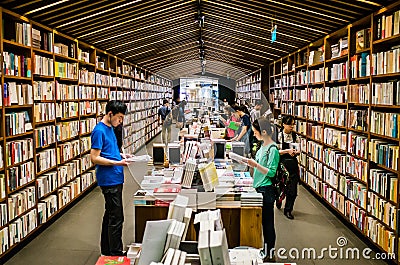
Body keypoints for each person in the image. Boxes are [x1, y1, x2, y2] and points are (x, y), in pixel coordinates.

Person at [90, 100, 132, 256]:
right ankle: (115, 252)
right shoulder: (99, 131)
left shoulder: (110, 128)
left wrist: (122, 155)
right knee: (116, 217)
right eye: (119, 117)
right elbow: (94, 158)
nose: (120, 121)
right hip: (109, 180)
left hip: (116, 177)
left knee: (110, 215)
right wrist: (117, 162)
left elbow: (110, 150)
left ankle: (107, 250)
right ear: (110, 114)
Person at [247, 117, 280, 262]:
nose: (254, 134)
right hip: (259, 187)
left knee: (267, 223)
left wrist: (255, 165)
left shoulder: (273, 149)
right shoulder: (263, 146)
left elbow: (271, 172)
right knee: (262, 222)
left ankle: (270, 253)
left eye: (255, 132)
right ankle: (265, 250)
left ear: (264, 131)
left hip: (266, 190)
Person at [277, 115, 300, 219]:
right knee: (281, 187)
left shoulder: (295, 136)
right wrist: (287, 151)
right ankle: (279, 199)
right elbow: (276, 151)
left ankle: (288, 210)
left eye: (293, 124)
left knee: (293, 190)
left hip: (293, 164)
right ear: (283, 124)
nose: (292, 126)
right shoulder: (279, 136)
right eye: (290, 124)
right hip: (282, 165)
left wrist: (297, 152)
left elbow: (300, 149)